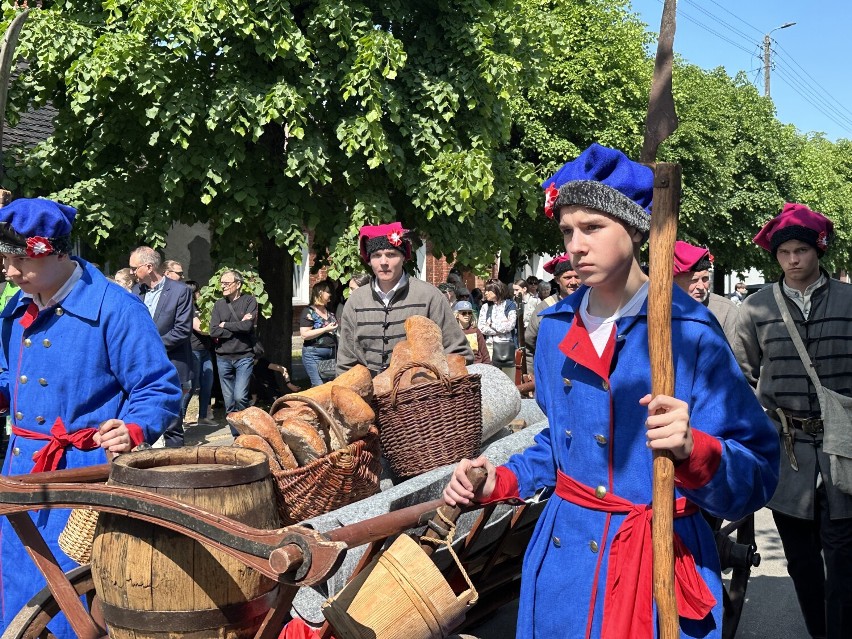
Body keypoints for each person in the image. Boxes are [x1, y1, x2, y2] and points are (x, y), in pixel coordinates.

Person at [443, 144, 779, 639]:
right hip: (565, 573)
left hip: (657, 569)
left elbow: (756, 471)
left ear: (638, 230)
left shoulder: (688, 331)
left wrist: (693, 451)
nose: (575, 245)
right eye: (566, 230)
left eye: (593, 227)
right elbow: (559, 444)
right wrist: (499, 480)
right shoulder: (555, 326)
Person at [0, 198, 181, 637]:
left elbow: (158, 387)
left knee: (73, 596)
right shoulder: (13, 313)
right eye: (4, 260)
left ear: (56, 252)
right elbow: (9, 379)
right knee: (15, 585)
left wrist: (133, 426)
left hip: (83, 481)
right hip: (20, 472)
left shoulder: (116, 309)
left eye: (19, 260)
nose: (8, 272)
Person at [733, 202, 852, 639]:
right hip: (790, 458)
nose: (793, 259)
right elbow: (738, 377)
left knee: (843, 562)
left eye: (801, 250)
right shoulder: (755, 308)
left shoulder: (849, 300)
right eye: (785, 253)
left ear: (818, 250)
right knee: (802, 562)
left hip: (847, 455)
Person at [337, 222, 472, 376]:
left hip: (419, 394)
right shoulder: (356, 302)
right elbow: (345, 362)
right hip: (369, 396)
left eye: (391, 254)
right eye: (376, 255)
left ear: (403, 257)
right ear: (369, 260)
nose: (383, 262)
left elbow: (459, 353)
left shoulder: (429, 296)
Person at [130, 246, 193, 446]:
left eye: (134, 268)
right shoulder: (135, 292)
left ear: (148, 267)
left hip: (171, 364)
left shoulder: (180, 292)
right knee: (142, 422)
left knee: (172, 424)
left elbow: (182, 331)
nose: (131, 272)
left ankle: (177, 473)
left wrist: (151, 346)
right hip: (140, 367)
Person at [209, 270, 257, 432]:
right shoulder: (219, 305)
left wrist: (226, 325)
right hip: (223, 357)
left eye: (227, 283)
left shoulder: (249, 301)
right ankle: (237, 436)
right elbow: (214, 331)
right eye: (221, 283)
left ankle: (246, 429)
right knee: (229, 401)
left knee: (240, 397)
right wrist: (237, 327)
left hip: (244, 356)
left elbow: (247, 326)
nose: (223, 286)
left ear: (238, 284)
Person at [672, 241, 739, 344]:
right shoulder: (657, 308)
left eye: (705, 279)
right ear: (674, 282)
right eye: (694, 280)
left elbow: (737, 355)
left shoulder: (725, 310)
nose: (701, 287)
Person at [524, 254, 580, 364]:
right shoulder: (545, 307)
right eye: (567, 278)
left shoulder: (593, 305)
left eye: (577, 277)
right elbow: (529, 346)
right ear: (557, 280)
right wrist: (531, 374)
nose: (573, 282)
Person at [184, 280, 216, 426]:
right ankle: (179, 418)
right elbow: (200, 328)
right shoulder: (187, 308)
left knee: (207, 383)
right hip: (193, 350)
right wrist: (219, 328)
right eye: (197, 292)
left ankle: (203, 416)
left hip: (205, 350)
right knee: (191, 386)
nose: (200, 294)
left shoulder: (201, 307)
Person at [300, 280, 338, 387]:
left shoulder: (329, 311)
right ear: (320, 293)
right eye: (328, 292)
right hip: (314, 353)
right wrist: (325, 329)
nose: (330, 294)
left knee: (330, 385)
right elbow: (304, 334)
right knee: (319, 385)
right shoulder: (308, 312)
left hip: (331, 352)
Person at [477, 278, 517, 376]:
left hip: (507, 347)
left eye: (488, 291)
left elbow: (511, 325)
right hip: (490, 346)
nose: (485, 293)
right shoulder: (485, 307)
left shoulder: (510, 305)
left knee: (509, 378)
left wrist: (491, 324)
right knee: (492, 376)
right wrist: (501, 326)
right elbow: (481, 327)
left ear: (496, 290)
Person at [454, 300, 490, 365]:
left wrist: (488, 366)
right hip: (459, 365)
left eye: (469, 313)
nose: (467, 315)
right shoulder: (453, 332)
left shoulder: (475, 331)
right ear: (457, 315)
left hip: (477, 364)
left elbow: (484, 351)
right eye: (464, 313)